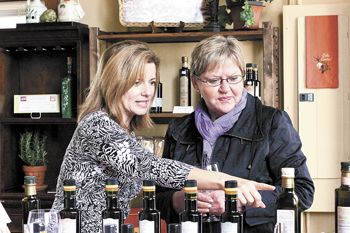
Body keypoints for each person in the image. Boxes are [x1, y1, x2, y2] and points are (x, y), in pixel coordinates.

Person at [51, 40, 275, 233]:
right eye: (136, 82)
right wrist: (230, 183)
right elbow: (153, 168)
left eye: (151, 82)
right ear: (114, 81)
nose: (147, 92)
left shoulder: (124, 131)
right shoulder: (97, 126)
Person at [156, 35, 315, 233]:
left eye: (233, 79)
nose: (225, 89)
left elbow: (302, 192)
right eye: (214, 81)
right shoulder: (179, 130)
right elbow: (158, 196)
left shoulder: (272, 122)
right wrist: (176, 201)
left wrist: (241, 202)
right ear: (195, 83)